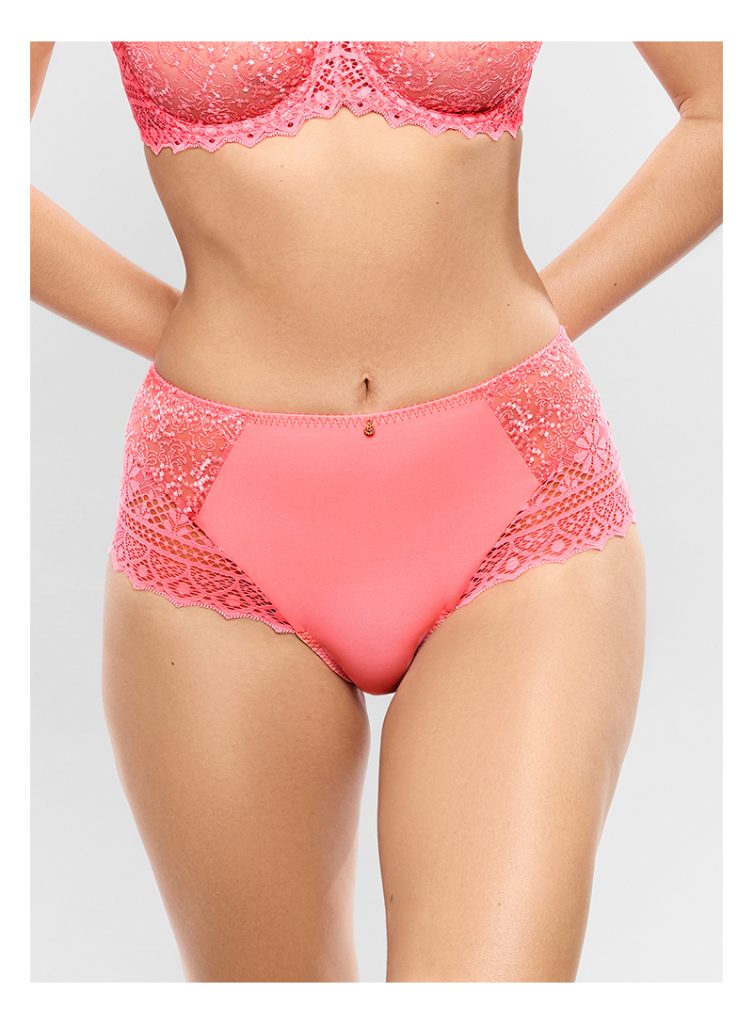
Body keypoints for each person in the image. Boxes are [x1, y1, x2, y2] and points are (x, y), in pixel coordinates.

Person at [30, 40, 722, 982]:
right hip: (218, 518)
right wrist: (176, 327)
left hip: (516, 496)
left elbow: (725, 104)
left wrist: (539, 321)